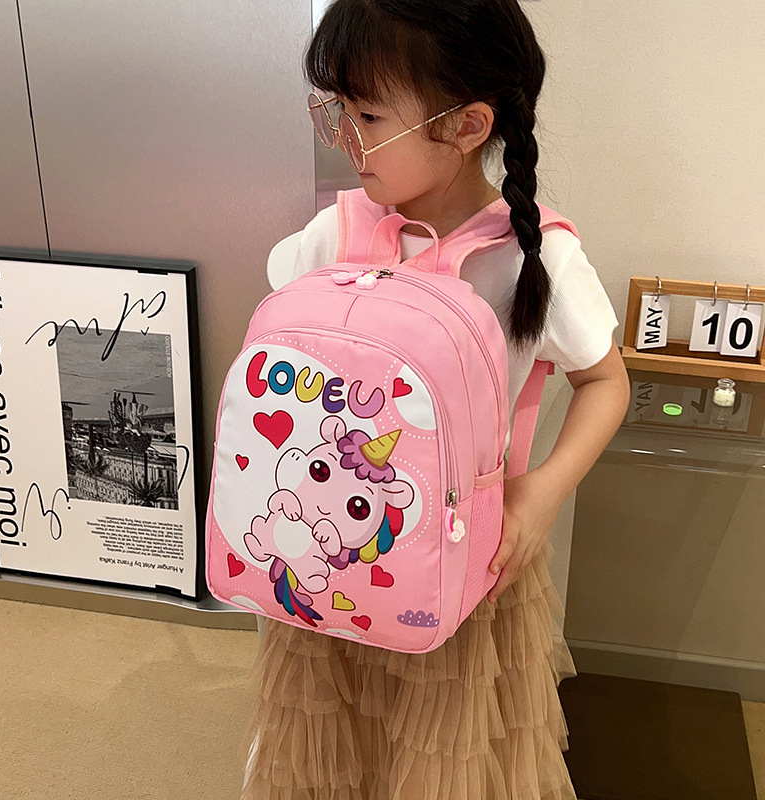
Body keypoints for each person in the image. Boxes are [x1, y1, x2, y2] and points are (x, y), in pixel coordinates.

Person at [241, 1, 630, 797]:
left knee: (444, 758)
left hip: (469, 565)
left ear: (465, 125)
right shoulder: (334, 234)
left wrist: (541, 495)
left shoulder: (534, 257)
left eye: (368, 116)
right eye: (338, 110)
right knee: (335, 744)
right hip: (327, 561)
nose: (345, 138)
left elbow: (605, 381)